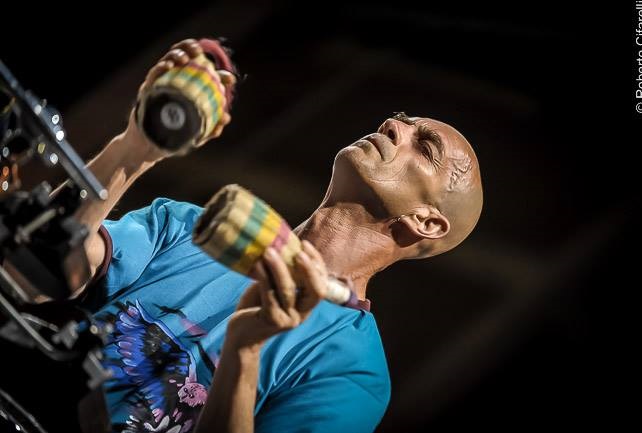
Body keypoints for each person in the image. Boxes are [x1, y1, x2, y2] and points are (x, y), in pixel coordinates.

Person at [74, 39, 483, 433]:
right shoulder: (193, 227)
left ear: (426, 223)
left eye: (424, 147)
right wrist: (134, 148)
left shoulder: (353, 369)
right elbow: (49, 268)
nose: (393, 126)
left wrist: (245, 348)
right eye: (401, 121)